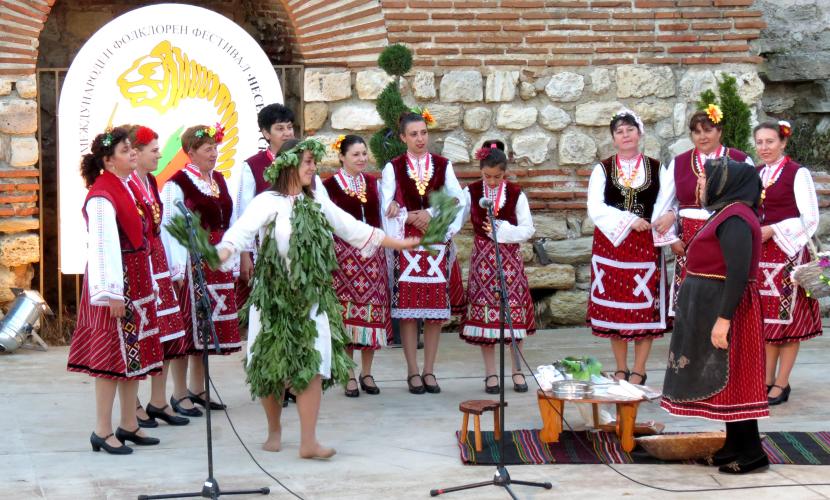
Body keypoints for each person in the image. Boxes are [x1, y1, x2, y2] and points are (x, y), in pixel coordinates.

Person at [216, 138, 419, 457]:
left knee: (312, 361)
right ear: (288, 166)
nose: (313, 167)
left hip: (311, 295)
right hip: (274, 296)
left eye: (314, 161)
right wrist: (226, 250)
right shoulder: (268, 201)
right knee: (270, 366)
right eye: (308, 162)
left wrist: (399, 244)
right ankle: (274, 429)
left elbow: (351, 228)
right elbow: (242, 230)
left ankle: (309, 441)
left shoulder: (317, 200)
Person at [661, 157, 769, 475]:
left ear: (725, 184)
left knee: (734, 377)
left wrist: (724, 319)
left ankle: (752, 453)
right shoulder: (725, 212)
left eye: (705, 180)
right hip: (711, 304)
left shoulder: (735, 218)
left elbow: (737, 272)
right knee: (725, 379)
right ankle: (733, 445)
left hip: (728, 308)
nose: (699, 185)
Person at [67, 127, 163, 454]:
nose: (132, 153)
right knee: (110, 360)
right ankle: (102, 430)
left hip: (134, 281)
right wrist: (111, 293)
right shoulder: (102, 194)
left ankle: (129, 423)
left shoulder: (127, 185)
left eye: (131, 149)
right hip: (115, 286)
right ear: (108, 161)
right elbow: (103, 246)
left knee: (133, 357)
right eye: (125, 151)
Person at [381, 110, 466, 394]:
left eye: (424, 133)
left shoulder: (443, 165)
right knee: (407, 311)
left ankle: (430, 370)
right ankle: (412, 370)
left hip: (434, 244)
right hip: (407, 246)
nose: (420, 139)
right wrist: (406, 215)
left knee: (434, 312)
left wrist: (430, 214)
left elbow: (458, 199)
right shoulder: (393, 167)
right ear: (403, 137)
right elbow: (386, 206)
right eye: (414, 134)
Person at [160, 124, 242, 417]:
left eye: (215, 148)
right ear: (189, 152)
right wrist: (177, 270)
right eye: (208, 149)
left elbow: (228, 220)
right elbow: (171, 227)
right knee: (186, 330)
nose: (214, 154)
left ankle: (199, 388)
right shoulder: (176, 184)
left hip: (216, 260)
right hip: (191, 262)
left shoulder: (218, 179)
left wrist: (231, 257)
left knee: (205, 330)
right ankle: (179, 393)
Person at [586, 109, 668, 385]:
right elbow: (595, 207)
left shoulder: (657, 168)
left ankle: (639, 369)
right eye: (619, 132)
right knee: (615, 309)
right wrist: (629, 220)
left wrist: (658, 220)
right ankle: (620, 367)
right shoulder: (603, 168)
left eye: (629, 130)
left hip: (645, 244)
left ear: (639, 133)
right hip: (612, 244)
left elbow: (667, 202)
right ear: (613, 138)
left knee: (644, 311)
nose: (625, 135)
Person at [652, 106, 753, 315]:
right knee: (689, 303)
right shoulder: (679, 163)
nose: (702, 136)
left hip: (725, 237)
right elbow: (663, 204)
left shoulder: (740, 160)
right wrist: (671, 238)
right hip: (689, 241)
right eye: (697, 132)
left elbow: (750, 202)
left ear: (720, 131)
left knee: (722, 290)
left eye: (708, 130)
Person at [123, 125, 190, 428]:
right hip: (139, 265)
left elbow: (160, 226)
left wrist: (173, 265)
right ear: (135, 153)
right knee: (140, 333)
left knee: (164, 332)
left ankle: (159, 399)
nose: (160, 154)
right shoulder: (124, 185)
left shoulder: (150, 181)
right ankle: (133, 403)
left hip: (158, 262)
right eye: (154, 150)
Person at [753, 121, 822, 405]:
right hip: (761, 256)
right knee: (768, 322)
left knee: (788, 323)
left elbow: (810, 217)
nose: (764, 148)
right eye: (759, 142)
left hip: (788, 254)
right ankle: (767, 379)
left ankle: (782, 383)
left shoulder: (798, 173)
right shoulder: (756, 174)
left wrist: (775, 229)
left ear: (783, 143)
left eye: (770, 142)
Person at [460, 140, 535, 394]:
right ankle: (491, 373)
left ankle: (517, 370)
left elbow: (528, 229)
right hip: (483, 261)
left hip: (509, 261)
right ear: (480, 171)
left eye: (497, 176)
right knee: (485, 318)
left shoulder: (515, 193)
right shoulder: (470, 192)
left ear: (505, 173)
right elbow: (455, 220)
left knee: (512, 315)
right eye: (487, 176)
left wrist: (502, 231)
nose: (492, 182)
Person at [323, 135, 391, 397]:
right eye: (356, 154)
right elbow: (326, 220)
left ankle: (367, 372)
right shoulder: (329, 186)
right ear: (342, 157)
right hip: (344, 259)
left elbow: (382, 217)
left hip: (371, 257)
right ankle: (348, 373)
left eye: (364, 154)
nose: (362, 159)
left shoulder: (373, 184)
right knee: (347, 318)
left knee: (370, 316)